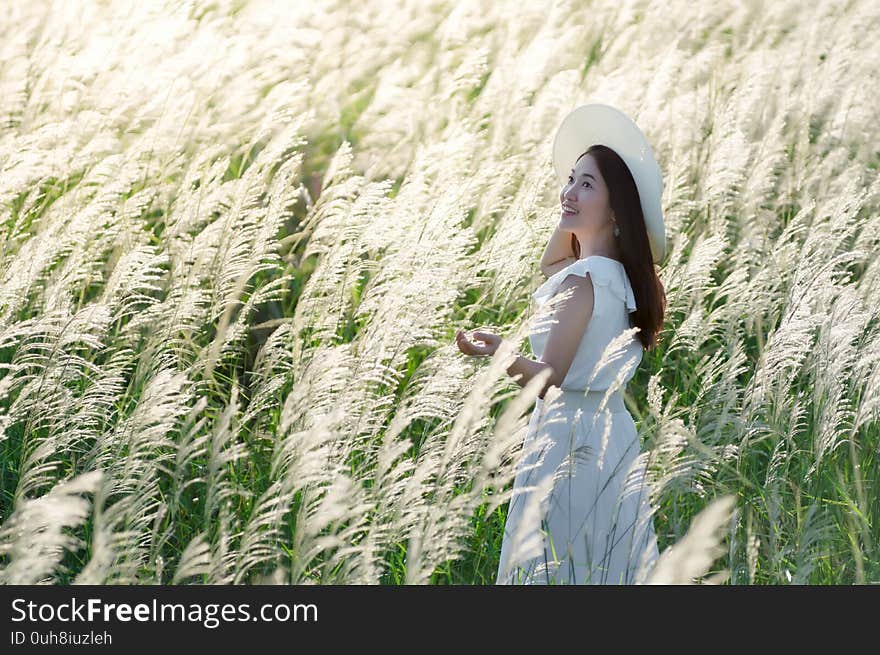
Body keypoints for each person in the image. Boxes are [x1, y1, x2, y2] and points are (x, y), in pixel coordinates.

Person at [456, 104, 668, 584]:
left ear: (616, 209)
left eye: (585, 184)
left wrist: (499, 351)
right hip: (611, 434)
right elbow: (553, 263)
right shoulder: (615, 278)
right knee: (607, 568)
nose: (567, 192)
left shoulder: (583, 282)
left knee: (559, 569)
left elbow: (549, 380)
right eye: (569, 180)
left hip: (568, 441)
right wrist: (582, 209)